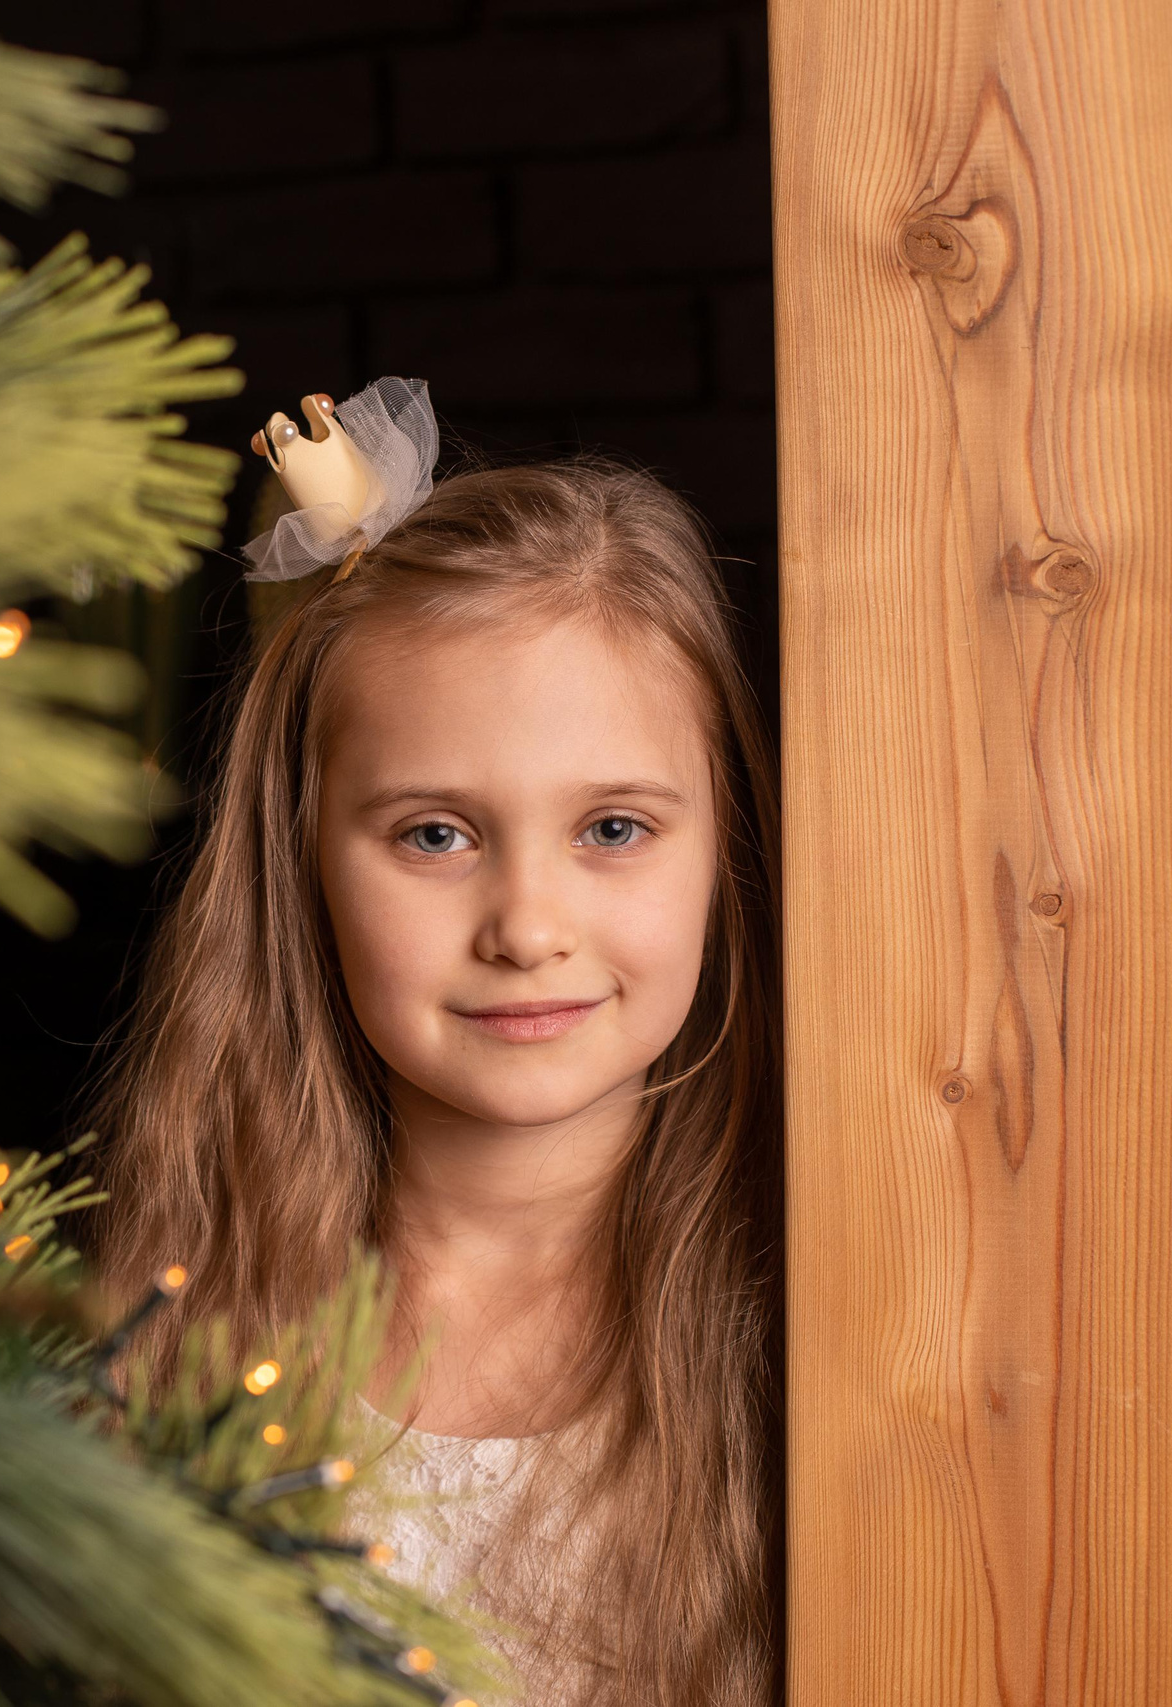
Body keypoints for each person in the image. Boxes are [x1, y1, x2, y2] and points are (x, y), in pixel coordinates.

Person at [91, 380, 781, 1705]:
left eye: (615, 830)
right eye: (435, 835)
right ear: (306, 870)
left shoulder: (811, 1323)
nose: (528, 926)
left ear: (722, 849)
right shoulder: (185, 1328)